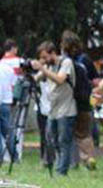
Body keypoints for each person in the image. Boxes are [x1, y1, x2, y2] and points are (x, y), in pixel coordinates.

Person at [30, 41, 76, 175]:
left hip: (66, 109)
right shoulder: (48, 66)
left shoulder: (65, 63)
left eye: (45, 57)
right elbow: (35, 79)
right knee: (51, 138)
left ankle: (62, 171)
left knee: (63, 141)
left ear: (53, 53)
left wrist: (43, 68)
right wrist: (30, 71)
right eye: (41, 58)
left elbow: (60, 79)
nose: (44, 60)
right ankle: (55, 164)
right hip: (53, 109)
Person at [64, 31, 97, 170]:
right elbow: (95, 80)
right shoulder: (85, 59)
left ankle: (73, 161)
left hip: (68, 101)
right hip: (85, 101)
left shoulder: (65, 61)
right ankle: (89, 157)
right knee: (85, 133)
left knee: (69, 133)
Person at [0, 46, 17, 164]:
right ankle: (14, 155)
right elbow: (13, 83)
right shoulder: (8, 69)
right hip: (7, 102)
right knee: (8, 131)